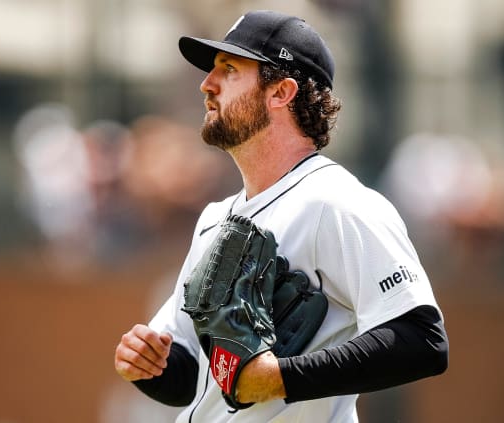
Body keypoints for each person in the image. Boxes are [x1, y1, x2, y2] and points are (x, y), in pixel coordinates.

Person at [113, 10, 448, 422]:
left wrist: (281, 377)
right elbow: (189, 379)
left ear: (280, 93)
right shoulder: (216, 219)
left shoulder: (336, 202)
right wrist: (150, 364)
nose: (207, 84)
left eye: (229, 69)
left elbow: (422, 340)